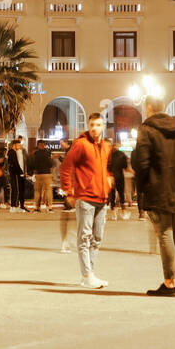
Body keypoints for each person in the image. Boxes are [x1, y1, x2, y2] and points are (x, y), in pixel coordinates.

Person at [131, 96, 175, 296]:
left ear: (149, 108)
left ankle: (169, 283)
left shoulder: (146, 129)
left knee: (164, 233)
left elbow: (142, 163)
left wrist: (142, 188)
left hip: (159, 188)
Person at [59, 113, 112, 288]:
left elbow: (104, 169)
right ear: (88, 126)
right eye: (91, 124)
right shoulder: (80, 145)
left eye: (98, 124)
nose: (94, 128)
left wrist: (108, 181)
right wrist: (68, 191)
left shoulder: (106, 147)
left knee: (97, 238)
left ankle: (90, 274)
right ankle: (87, 274)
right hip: (85, 198)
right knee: (84, 237)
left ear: (103, 126)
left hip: (102, 198)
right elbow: (66, 167)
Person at [29, 139, 54, 213]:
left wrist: (32, 172)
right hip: (47, 174)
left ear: (38, 145)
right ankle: (49, 207)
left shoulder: (35, 154)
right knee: (48, 190)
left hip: (38, 174)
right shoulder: (48, 153)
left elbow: (31, 164)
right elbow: (51, 164)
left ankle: (37, 207)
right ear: (44, 145)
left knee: (37, 191)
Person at [107, 144, 129, 221]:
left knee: (112, 195)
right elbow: (125, 166)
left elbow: (107, 166)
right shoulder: (122, 154)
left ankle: (113, 214)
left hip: (111, 177)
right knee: (121, 194)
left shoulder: (109, 155)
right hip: (120, 176)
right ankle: (123, 212)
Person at [8, 137, 27, 212]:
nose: (20, 146)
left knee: (15, 189)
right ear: (14, 145)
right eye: (18, 145)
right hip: (15, 174)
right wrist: (20, 172)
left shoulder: (12, 152)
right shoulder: (12, 152)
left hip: (14, 173)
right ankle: (14, 206)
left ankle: (14, 206)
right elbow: (15, 163)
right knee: (15, 190)